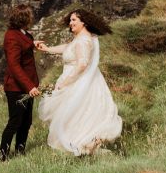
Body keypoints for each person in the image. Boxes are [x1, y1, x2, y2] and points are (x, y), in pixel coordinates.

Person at [36, 9, 122, 156]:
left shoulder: (83, 40)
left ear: (84, 23)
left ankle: (79, 144)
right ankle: (79, 144)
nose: (71, 23)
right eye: (70, 20)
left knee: (76, 112)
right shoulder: (81, 38)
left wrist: (66, 82)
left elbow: (82, 64)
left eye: (74, 20)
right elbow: (68, 48)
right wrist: (48, 49)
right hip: (76, 78)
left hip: (78, 81)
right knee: (75, 113)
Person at [0, 5, 42, 162]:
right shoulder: (11, 37)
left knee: (26, 121)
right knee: (15, 122)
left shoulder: (24, 34)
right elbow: (14, 65)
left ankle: (20, 151)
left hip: (26, 86)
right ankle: (3, 156)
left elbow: (24, 43)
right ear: (25, 18)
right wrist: (30, 87)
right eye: (30, 16)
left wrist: (33, 43)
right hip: (17, 88)